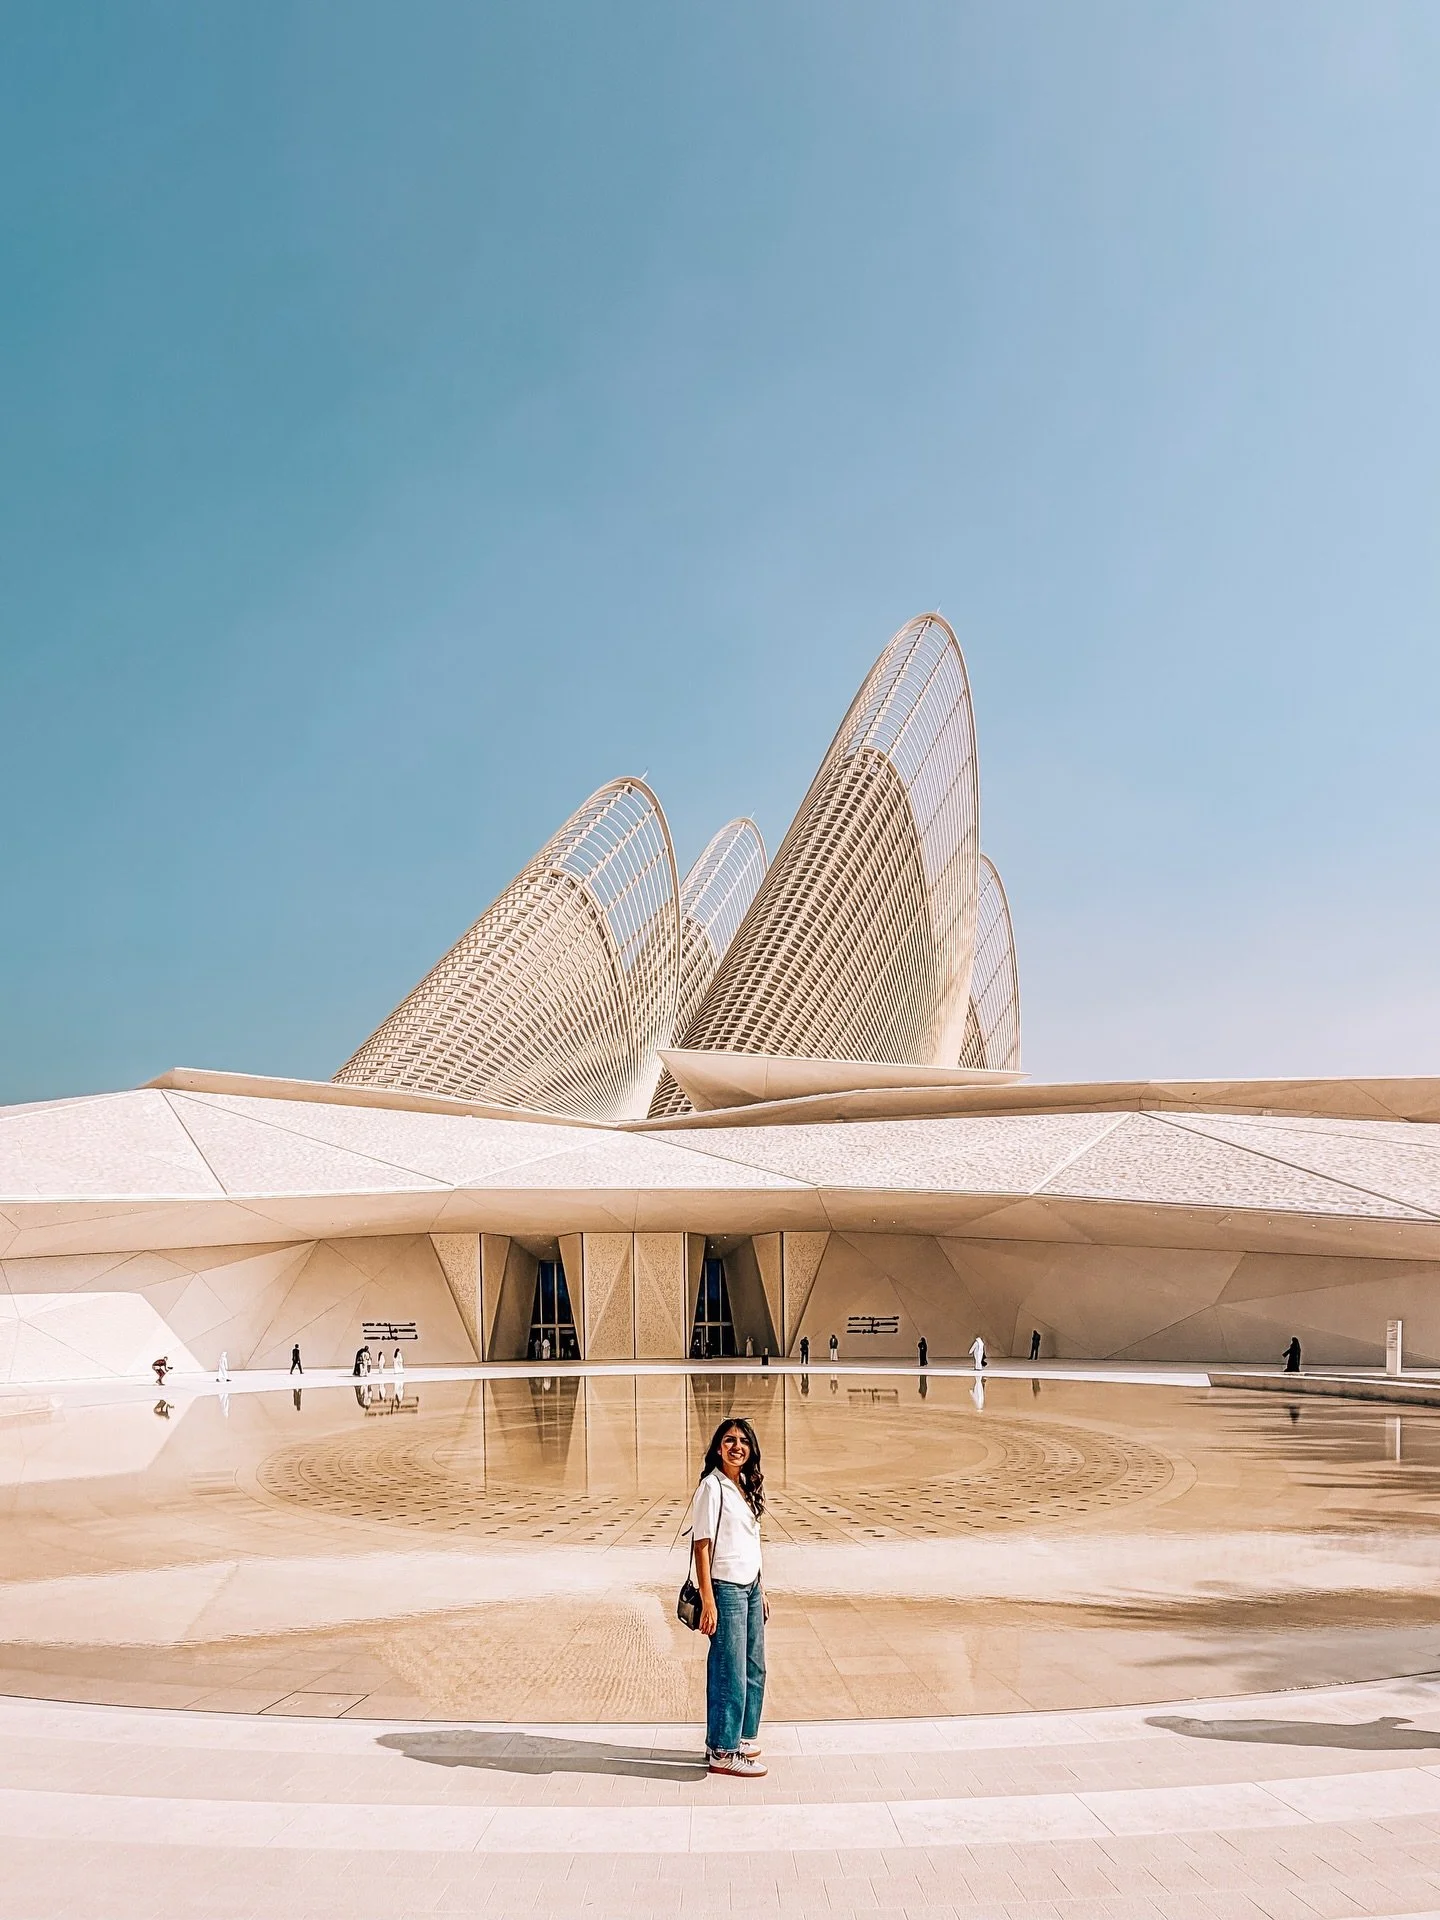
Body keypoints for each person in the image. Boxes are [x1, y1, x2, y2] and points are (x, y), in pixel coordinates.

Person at [691, 1417, 768, 1779]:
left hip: (750, 1586)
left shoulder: (744, 1487)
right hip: (726, 1589)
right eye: (728, 1440)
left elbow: (750, 1542)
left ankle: (742, 1735)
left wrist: (761, 1587)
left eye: (743, 1441)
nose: (736, 1446)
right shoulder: (713, 1486)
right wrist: (708, 1598)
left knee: (754, 1666)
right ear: (718, 1447)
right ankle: (723, 1748)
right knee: (729, 1670)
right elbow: (702, 1545)